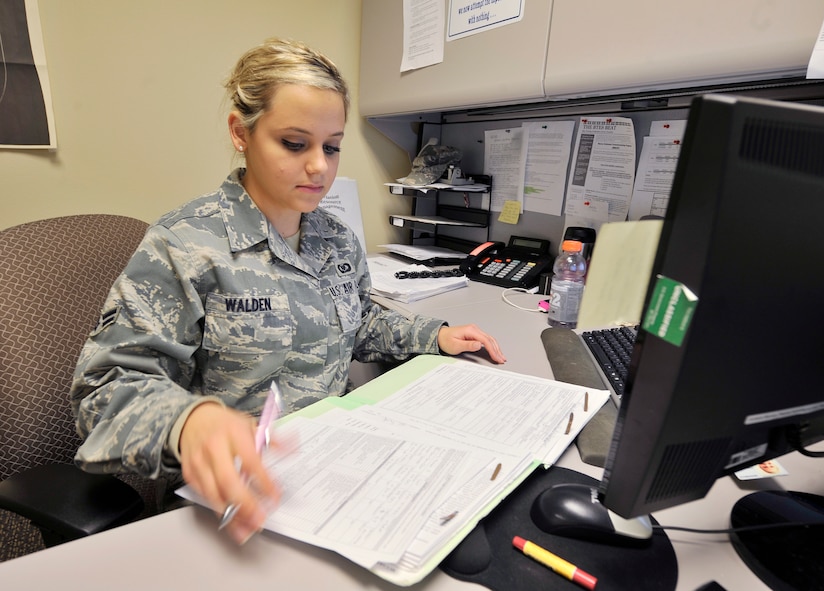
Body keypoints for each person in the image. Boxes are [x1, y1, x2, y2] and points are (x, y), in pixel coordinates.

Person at [70, 38, 505, 545]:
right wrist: (189, 422)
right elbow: (102, 390)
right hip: (233, 503)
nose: (320, 166)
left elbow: (356, 324)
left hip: (334, 473)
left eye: (333, 146)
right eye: (295, 144)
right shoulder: (186, 245)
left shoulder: (335, 237)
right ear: (241, 133)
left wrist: (434, 336)